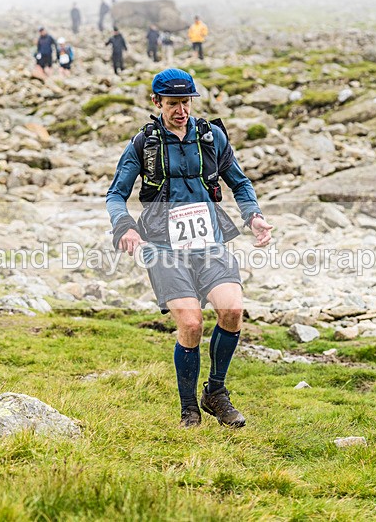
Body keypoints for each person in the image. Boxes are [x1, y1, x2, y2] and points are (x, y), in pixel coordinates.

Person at [106, 68, 274, 428]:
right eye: (172, 104)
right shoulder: (143, 144)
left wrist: (253, 217)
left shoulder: (211, 137)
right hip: (164, 248)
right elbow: (116, 194)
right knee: (192, 322)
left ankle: (215, 392)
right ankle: (188, 410)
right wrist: (124, 227)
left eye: (186, 102)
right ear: (156, 103)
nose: (181, 110)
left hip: (211, 242)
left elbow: (241, 184)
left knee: (232, 311)